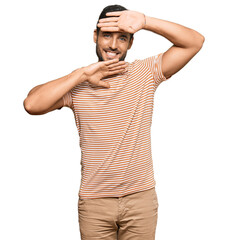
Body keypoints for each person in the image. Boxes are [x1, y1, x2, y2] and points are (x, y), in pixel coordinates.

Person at [23, 4, 205, 240]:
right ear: (95, 36)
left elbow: (194, 42)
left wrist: (146, 21)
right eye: (106, 35)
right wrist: (81, 74)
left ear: (130, 43)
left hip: (140, 200)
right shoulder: (76, 85)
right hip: (95, 203)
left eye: (122, 38)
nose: (112, 45)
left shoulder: (145, 73)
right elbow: (31, 104)